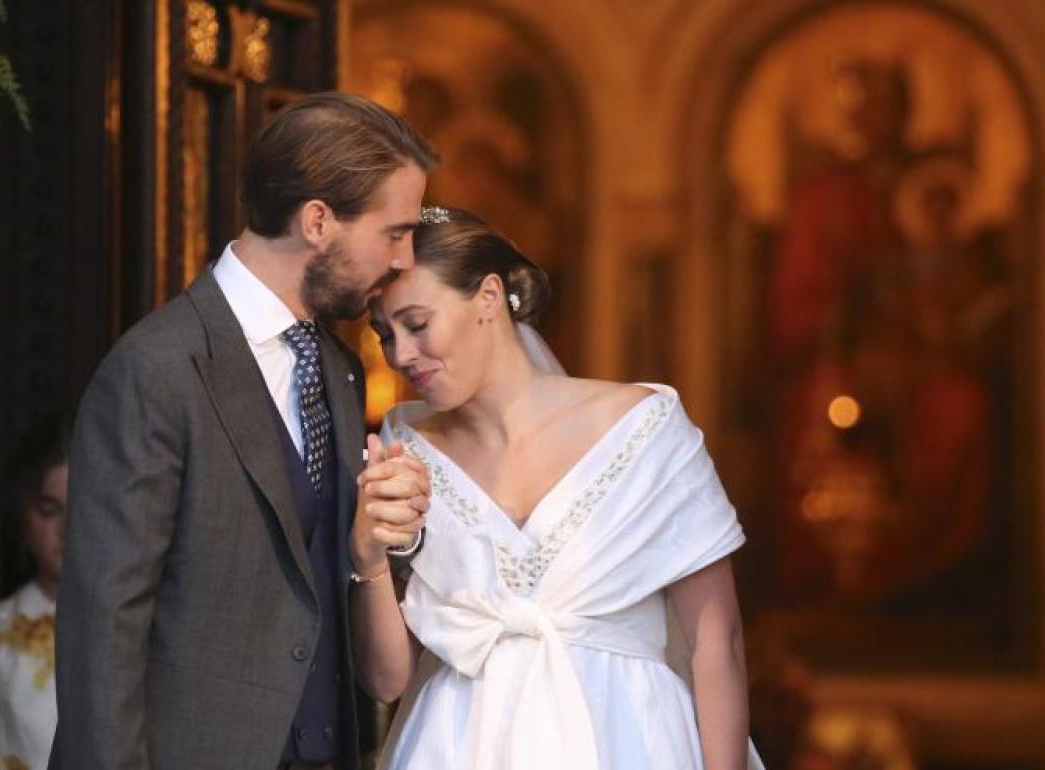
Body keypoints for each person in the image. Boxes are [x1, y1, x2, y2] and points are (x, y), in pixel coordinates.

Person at [51, 92, 436, 770]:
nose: (404, 259)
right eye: (394, 231)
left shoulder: (342, 375)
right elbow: (103, 627)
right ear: (318, 220)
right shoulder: (157, 368)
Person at [354, 206, 766, 769]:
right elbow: (386, 679)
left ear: (490, 297)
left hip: (629, 738)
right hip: (455, 747)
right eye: (384, 335)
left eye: (418, 324)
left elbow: (718, 640)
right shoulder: (402, 446)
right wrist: (368, 555)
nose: (401, 355)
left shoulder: (645, 427)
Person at [0, 419, 69, 770]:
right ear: (23, 516)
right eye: (50, 510)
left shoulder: (147, 630)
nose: (68, 529)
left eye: (82, 509)